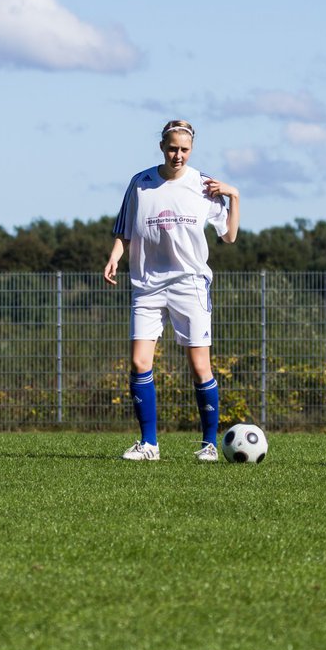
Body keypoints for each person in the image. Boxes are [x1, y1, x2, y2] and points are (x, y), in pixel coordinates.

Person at [104, 120, 241, 461]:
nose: (177, 155)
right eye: (172, 148)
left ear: (191, 150)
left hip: (190, 283)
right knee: (138, 363)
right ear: (162, 147)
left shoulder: (203, 185)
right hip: (147, 285)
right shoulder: (141, 183)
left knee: (199, 367)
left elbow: (229, 236)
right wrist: (114, 258)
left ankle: (209, 444)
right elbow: (124, 230)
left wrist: (234, 195)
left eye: (184, 150)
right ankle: (149, 444)